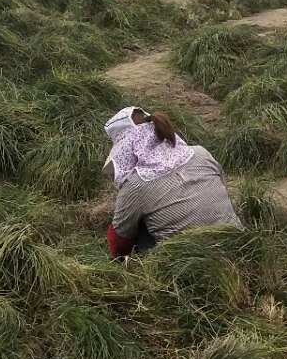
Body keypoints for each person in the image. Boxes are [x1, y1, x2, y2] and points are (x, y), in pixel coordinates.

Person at [102, 107, 241, 258]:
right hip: (239, 244)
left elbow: (119, 245)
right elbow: (223, 191)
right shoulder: (201, 153)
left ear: (126, 149)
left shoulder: (136, 184)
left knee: (139, 231)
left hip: (191, 265)